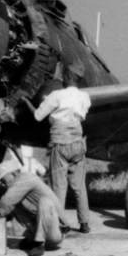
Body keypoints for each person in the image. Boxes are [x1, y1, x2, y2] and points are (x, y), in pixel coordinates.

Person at [22, 60, 92, 234]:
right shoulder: (85, 97)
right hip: (77, 144)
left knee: (59, 187)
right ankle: (84, 223)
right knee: (79, 186)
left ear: (68, 76)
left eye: (63, 75)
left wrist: (26, 102)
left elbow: (38, 116)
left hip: (60, 143)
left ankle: (61, 224)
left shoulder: (56, 96)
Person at [0, 159, 66, 256]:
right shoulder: (18, 185)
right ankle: (30, 239)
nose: (3, 184)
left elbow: (7, 200)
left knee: (45, 201)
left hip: (55, 233)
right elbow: (7, 207)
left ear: (14, 174)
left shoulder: (26, 178)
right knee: (14, 205)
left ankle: (38, 244)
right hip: (42, 228)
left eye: (4, 180)